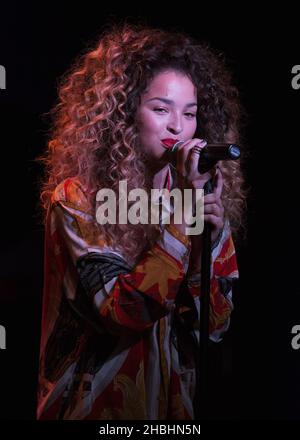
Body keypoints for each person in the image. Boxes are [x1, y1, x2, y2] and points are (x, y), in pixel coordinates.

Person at [36, 23, 247, 420]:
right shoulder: (78, 199)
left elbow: (214, 326)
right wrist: (185, 215)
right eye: (161, 109)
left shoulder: (189, 196)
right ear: (124, 112)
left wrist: (210, 241)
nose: (177, 126)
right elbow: (125, 310)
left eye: (190, 113)